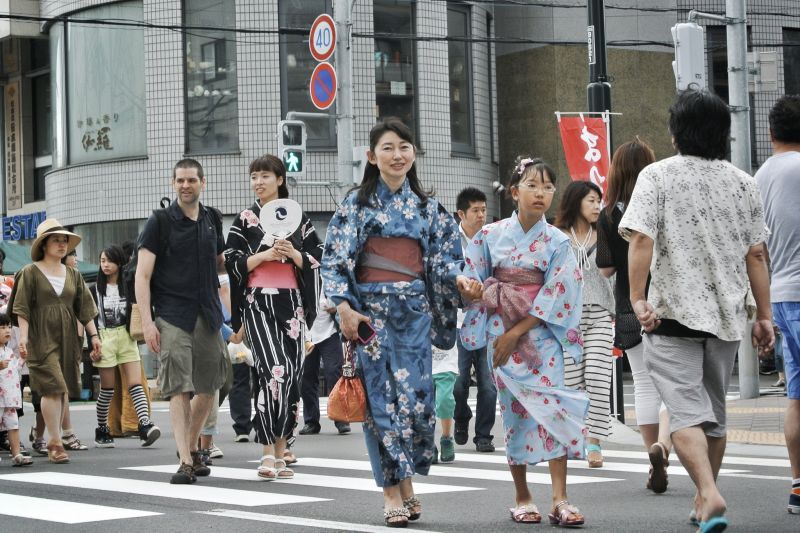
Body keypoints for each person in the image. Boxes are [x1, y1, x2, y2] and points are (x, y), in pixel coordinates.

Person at [620, 88, 774, 532]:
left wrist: (637, 298)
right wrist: (763, 315)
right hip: (726, 316)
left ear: (675, 133)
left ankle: (708, 493)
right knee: (714, 413)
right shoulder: (744, 182)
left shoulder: (657, 176)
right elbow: (756, 255)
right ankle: (704, 497)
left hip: (672, 313)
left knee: (685, 412)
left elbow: (642, 240)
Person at [321, 118, 471, 527]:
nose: (397, 154)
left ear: (413, 154)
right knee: (380, 407)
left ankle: (405, 482)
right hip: (371, 318)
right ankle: (391, 493)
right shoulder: (355, 205)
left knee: (417, 405)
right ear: (372, 157)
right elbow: (335, 260)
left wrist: (459, 281)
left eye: (404, 147)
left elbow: (444, 260)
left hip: (415, 316)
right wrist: (345, 308)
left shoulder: (427, 207)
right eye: (387, 147)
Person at [461, 157, 588, 526]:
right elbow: (474, 279)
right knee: (514, 414)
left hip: (541, 338)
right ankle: (522, 495)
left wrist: (517, 333)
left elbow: (559, 293)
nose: (541, 193)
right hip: (500, 334)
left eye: (548, 187)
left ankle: (560, 498)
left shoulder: (558, 241)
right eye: (532, 185)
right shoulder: (490, 235)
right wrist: (470, 289)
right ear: (515, 192)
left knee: (553, 412)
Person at [224, 154, 322, 481]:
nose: (258, 182)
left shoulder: (298, 218)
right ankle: (266, 449)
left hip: (292, 302)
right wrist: (264, 254)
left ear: (279, 179)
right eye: (254, 177)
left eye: (265, 176)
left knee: (292, 375)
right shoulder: (246, 218)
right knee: (273, 371)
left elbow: (317, 257)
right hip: (258, 302)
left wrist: (293, 253)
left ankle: (281, 451)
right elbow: (232, 261)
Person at [135, 159, 228, 484]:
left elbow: (220, 263)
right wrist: (148, 322)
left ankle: (190, 447)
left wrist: (252, 253)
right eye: (180, 180)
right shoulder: (160, 221)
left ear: (202, 181)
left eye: (191, 180)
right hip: (173, 314)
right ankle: (186, 461)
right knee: (179, 386)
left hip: (208, 312)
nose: (186, 185)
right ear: (173, 184)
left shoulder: (212, 219)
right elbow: (142, 276)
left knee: (211, 384)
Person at [595, 138, 672, 492]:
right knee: (677, 383)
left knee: (642, 382)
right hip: (667, 303)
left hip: (628, 306)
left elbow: (606, 268)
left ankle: (649, 457)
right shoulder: (661, 201)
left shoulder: (608, 213)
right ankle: (665, 447)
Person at [10, 218, 102, 464]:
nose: (62, 245)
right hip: (40, 337)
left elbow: (84, 309)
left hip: (68, 337)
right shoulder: (29, 272)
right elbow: (21, 309)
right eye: (56, 240)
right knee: (54, 386)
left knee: (62, 389)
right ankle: (55, 442)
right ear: (43, 244)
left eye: (64, 241)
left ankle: (53, 438)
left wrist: (94, 336)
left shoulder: (73, 273)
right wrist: (24, 339)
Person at [754, 94, 800, 515]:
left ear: (770, 134)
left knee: (796, 398)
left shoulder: (761, 176)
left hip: (783, 294)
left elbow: (757, 250)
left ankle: (798, 486)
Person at [555, 180, 614, 469]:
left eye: (599, 201)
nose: (596, 206)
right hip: (568, 320)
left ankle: (595, 442)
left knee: (598, 378)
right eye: (591, 200)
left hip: (601, 314)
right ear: (576, 201)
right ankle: (572, 437)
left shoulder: (604, 234)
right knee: (571, 382)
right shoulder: (558, 237)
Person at [90, 244, 160, 448]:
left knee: (135, 384)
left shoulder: (128, 285)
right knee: (107, 389)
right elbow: (89, 318)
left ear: (120, 263)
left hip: (126, 336)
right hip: (105, 338)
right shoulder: (94, 289)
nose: (105, 265)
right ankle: (102, 429)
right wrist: (91, 342)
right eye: (102, 261)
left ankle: (144, 425)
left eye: (110, 261)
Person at [453, 187, 497, 453]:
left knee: (488, 383)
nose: (482, 215)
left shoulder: (492, 239)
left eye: (484, 210)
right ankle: (461, 417)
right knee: (458, 383)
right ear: (462, 213)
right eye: (476, 211)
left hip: (487, 319)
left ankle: (484, 435)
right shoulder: (449, 240)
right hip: (458, 320)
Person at [299, 291, 350, 436]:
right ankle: (311, 422)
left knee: (334, 372)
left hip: (330, 331)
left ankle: (341, 419)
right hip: (306, 334)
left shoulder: (327, 274)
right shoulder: (299, 276)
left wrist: (337, 307)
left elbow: (343, 295)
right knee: (307, 378)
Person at [0, 313, 32, 466]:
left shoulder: (9, 351)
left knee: (13, 425)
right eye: (2, 328)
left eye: (9, 327)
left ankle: (16, 454)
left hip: (10, 397)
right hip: (1, 397)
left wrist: (23, 359)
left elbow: (15, 370)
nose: (7, 331)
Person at [431, 343, 458, 464]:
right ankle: (428, 443)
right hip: (421, 361)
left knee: (444, 401)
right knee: (424, 406)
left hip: (446, 363)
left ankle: (446, 438)